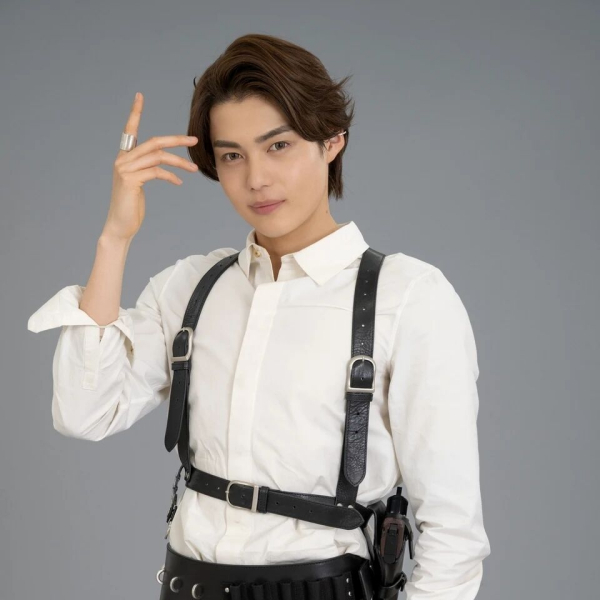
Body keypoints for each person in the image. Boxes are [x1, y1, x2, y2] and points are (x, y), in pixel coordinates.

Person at [27, 33, 490, 600]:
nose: (256, 179)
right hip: (189, 584)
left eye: (279, 146)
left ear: (331, 141)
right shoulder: (193, 286)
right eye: (232, 156)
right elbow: (84, 413)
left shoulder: (409, 296)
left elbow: (453, 535)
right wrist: (115, 238)